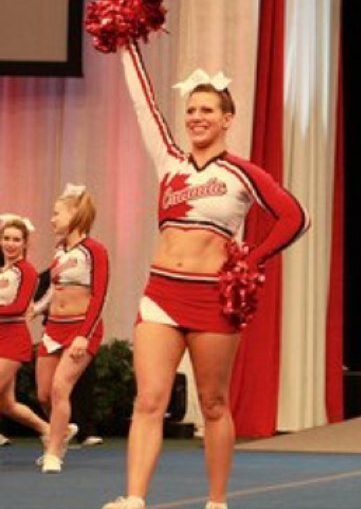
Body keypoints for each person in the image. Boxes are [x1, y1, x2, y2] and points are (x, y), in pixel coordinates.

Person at [103, 53, 310, 509]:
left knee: (213, 403)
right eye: (192, 110)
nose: (196, 118)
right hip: (161, 293)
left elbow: (296, 218)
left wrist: (250, 260)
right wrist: (126, 46)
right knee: (149, 400)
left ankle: (217, 501)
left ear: (227, 119)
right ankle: (135, 498)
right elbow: (144, 104)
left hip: (213, 299)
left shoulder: (241, 173)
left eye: (207, 110)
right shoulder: (169, 161)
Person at [36, 184, 107, 473]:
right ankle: (62, 429)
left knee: (59, 387)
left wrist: (83, 334)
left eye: (56, 214)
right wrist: (37, 308)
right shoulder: (59, 251)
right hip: (54, 328)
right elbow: (55, 288)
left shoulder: (95, 250)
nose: (51, 219)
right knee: (43, 394)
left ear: (75, 215)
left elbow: (100, 296)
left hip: (81, 328)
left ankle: (54, 452)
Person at [0, 215, 52, 446]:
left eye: (16, 239)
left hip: (13, 340)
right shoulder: (4, 271)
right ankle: (51, 430)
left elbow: (20, 307)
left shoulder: (27, 271)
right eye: (6, 238)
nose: (10, 243)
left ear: (25, 243)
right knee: (6, 405)